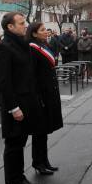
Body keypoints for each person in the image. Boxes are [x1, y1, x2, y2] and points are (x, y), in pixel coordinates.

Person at [0, 12, 45, 184]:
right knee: (13, 145)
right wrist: (13, 108)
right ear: (10, 27)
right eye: (22, 23)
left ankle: (20, 177)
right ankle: (13, 183)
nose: (26, 25)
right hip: (16, 105)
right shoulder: (4, 47)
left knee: (21, 142)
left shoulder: (21, 44)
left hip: (27, 101)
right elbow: (4, 81)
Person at [27, 22, 63, 175]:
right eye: (42, 30)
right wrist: (37, 98)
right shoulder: (32, 48)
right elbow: (32, 76)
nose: (46, 32)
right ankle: (38, 162)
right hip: (41, 95)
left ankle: (45, 160)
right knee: (39, 132)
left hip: (50, 93)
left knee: (45, 130)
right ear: (34, 33)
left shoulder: (43, 45)